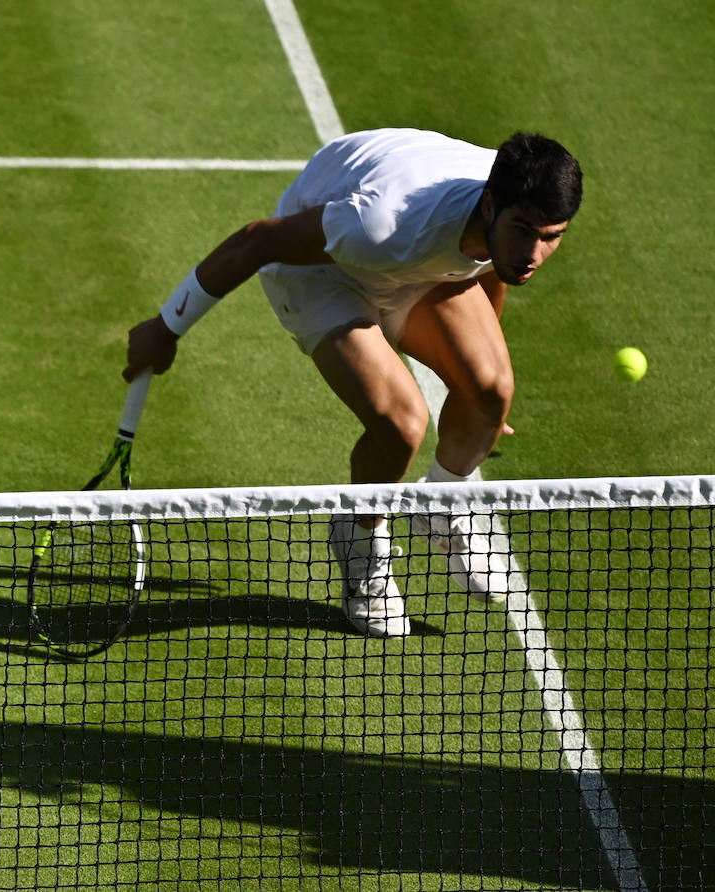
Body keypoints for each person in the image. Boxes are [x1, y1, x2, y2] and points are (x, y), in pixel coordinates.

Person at [122, 128, 582, 638]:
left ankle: (443, 505)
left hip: (420, 269)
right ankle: (361, 540)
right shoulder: (381, 225)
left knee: (492, 389)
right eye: (523, 230)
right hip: (323, 274)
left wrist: (472, 383)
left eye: (552, 236)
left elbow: (494, 265)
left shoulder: (509, 216)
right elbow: (257, 240)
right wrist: (166, 327)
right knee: (401, 422)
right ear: (491, 205)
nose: (534, 253)